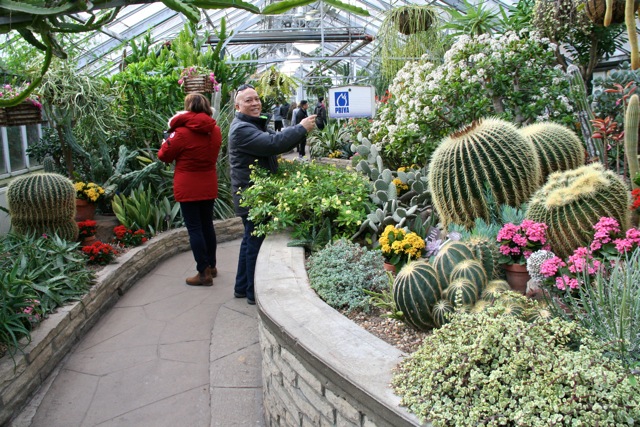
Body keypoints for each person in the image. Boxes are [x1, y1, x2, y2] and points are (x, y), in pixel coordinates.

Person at [229, 84, 316, 304]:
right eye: (248, 100)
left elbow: (275, 139)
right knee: (254, 242)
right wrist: (301, 128)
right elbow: (273, 144)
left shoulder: (252, 125)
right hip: (251, 195)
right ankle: (252, 293)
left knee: (250, 240)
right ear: (237, 106)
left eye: (256, 99)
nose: (255, 103)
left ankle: (242, 287)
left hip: (253, 192)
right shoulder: (241, 129)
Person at [158, 93, 221, 287]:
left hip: (188, 186)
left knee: (194, 228)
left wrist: (165, 142)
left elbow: (164, 156)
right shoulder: (215, 130)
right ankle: (211, 265)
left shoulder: (182, 133)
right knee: (207, 225)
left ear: (187, 108)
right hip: (208, 183)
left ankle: (203, 273)